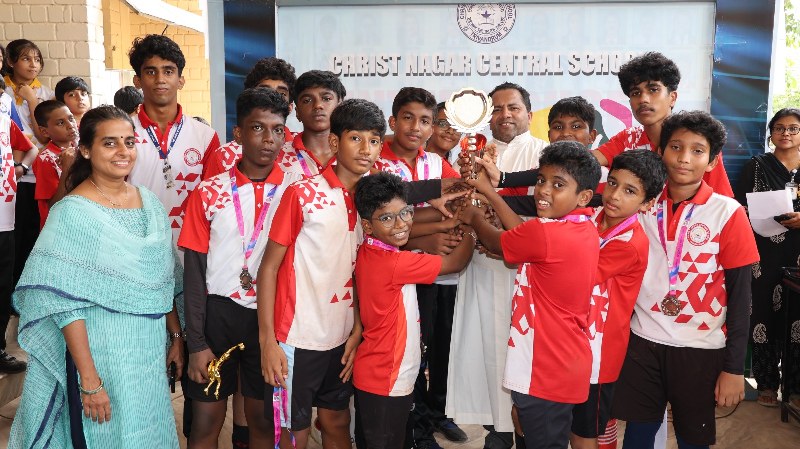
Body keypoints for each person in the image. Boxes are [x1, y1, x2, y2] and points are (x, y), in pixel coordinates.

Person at [9, 105, 180, 449]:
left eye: (129, 142)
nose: (123, 152)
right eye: (109, 143)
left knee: (148, 433)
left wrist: (176, 336)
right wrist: (89, 380)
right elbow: (62, 303)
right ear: (86, 149)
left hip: (147, 353)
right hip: (101, 356)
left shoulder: (149, 202)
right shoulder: (72, 212)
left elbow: (162, 281)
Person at [613, 111, 759, 448]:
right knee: (637, 435)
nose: (684, 158)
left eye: (697, 150)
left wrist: (734, 369)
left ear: (712, 161)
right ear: (661, 151)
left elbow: (741, 298)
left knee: (693, 439)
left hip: (700, 349)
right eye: (676, 147)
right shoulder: (641, 204)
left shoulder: (728, 213)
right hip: (642, 341)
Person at [257, 98, 385, 449]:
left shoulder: (374, 204)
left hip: (342, 338)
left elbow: (361, 273)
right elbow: (268, 268)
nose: (366, 149)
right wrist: (268, 341)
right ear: (334, 142)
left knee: (336, 419)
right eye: (356, 138)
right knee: (292, 433)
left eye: (374, 140)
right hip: (297, 338)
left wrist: (357, 328)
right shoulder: (302, 194)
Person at [460, 141, 602, 449]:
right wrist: (490, 193)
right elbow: (522, 236)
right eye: (541, 180)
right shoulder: (581, 227)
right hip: (560, 361)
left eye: (558, 184)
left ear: (584, 196)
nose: (543, 191)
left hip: (545, 367)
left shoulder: (548, 234)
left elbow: (500, 242)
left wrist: (474, 217)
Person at [179, 87, 298, 449]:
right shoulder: (209, 192)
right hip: (218, 317)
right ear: (238, 133)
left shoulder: (297, 190)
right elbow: (194, 273)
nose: (269, 139)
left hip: (271, 319)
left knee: (263, 422)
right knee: (205, 423)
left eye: (277, 130)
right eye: (258, 128)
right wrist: (196, 343)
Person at [126, 33, 220, 440]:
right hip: (138, 265)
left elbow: (216, 203)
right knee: (147, 361)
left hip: (193, 263)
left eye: (168, 71)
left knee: (195, 365)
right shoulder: (123, 131)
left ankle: (191, 437)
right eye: (151, 72)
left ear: (181, 79)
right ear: (138, 80)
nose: (160, 79)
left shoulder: (204, 136)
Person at [444, 82, 546, 449]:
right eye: (498, 109)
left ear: (528, 114)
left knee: (521, 353)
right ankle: (497, 432)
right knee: (486, 350)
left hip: (525, 275)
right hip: (481, 270)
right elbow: (459, 208)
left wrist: (502, 237)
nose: (505, 115)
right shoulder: (471, 156)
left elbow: (546, 213)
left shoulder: (544, 154)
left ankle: (525, 431)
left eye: (513, 108)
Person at [351, 171, 474, 449]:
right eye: (387, 218)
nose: (401, 224)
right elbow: (454, 263)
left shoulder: (373, 251)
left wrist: (448, 223)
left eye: (406, 213)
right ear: (367, 226)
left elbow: (405, 237)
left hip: (381, 375)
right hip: (387, 378)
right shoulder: (396, 264)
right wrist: (471, 227)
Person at [372, 87, 465, 447]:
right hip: (396, 275)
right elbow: (382, 217)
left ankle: (435, 415)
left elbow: (458, 206)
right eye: (408, 118)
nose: (416, 127)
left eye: (425, 121)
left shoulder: (437, 163)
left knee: (438, 348)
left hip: (437, 273)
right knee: (409, 353)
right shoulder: (376, 161)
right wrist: (424, 239)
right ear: (393, 121)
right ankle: (415, 428)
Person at [570, 150, 665, 449]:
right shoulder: (590, 216)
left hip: (599, 355)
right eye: (612, 183)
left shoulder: (630, 242)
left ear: (647, 203)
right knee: (565, 423)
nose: (614, 195)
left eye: (630, 191)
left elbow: (577, 275)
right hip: (571, 342)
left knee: (586, 434)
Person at [591, 52, 733, 197]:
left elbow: (723, 204)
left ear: (672, 98)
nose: (643, 99)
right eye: (635, 93)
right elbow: (583, 163)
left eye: (653, 90)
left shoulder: (699, 143)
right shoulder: (628, 138)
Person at [734, 108, 800, 409]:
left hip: (798, 253)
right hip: (764, 252)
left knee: (797, 316)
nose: (786, 133)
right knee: (764, 314)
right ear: (771, 133)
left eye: (793, 128)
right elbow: (738, 207)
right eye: (779, 128)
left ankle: (795, 387)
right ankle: (767, 383)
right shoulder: (757, 166)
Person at [3, 39, 51, 304]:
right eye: (26, 58)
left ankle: (26, 294)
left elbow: (44, 135)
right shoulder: (4, 93)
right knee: (14, 239)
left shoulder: (44, 92)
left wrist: (33, 100)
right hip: (12, 176)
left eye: (37, 59)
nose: (33, 65)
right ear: (10, 62)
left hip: (37, 174)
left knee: (33, 237)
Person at [202, 57, 298, 180]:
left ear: (290, 107)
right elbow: (211, 190)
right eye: (265, 90)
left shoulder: (302, 152)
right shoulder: (225, 156)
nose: (273, 97)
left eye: (282, 94)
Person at [0, 106, 35, 374]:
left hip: (5, 216)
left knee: (3, 285)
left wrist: (21, 166)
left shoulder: (5, 121)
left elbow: (29, 148)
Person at [276, 70, 345, 177]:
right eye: (307, 100)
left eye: (326, 99)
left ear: (340, 106)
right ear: (297, 112)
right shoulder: (277, 156)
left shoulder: (356, 154)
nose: (318, 105)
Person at [32, 100, 78, 229]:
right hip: (58, 228)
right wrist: (67, 168)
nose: (70, 125)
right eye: (60, 123)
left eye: (71, 119)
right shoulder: (45, 159)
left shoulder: (82, 150)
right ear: (45, 132)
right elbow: (53, 205)